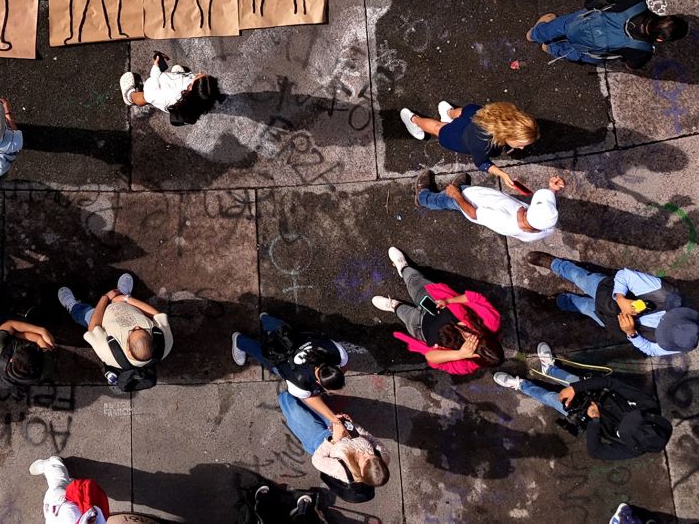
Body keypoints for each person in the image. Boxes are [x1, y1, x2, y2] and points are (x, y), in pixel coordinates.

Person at [494, 350, 672, 460]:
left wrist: (594, 421)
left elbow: (596, 451)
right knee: (572, 380)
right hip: (599, 395)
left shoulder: (631, 451)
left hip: (587, 416)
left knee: (551, 398)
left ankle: (521, 385)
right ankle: (550, 369)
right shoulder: (648, 404)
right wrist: (576, 388)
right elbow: (612, 383)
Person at [526, 252, 699, 357]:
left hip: (611, 322)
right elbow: (625, 276)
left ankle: (560, 301)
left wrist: (632, 334)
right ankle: (555, 264)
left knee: (585, 308)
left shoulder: (680, 342)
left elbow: (652, 350)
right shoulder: (665, 294)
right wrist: (621, 299)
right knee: (580, 277)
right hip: (606, 292)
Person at [372, 247, 502, 374]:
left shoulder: (467, 365)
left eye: (473, 346)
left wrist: (459, 354)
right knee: (415, 283)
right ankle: (404, 268)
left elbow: (431, 359)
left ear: (475, 358)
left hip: (420, 327)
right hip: (435, 299)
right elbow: (475, 298)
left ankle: (394, 305)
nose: (472, 338)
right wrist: (449, 301)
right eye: (478, 337)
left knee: (404, 314)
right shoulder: (491, 322)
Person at [232, 315, 352, 438]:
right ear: (319, 383)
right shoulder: (299, 383)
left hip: (296, 338)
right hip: (282, 358)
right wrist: (332, 418)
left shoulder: (337, 353)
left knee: (282, 330)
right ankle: (240, 341)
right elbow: (310, 398)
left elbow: (345, 365)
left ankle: (266, 319)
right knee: (264, 356)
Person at [269, 391, 389, 502]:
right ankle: (297, 388)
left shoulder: (342, 471)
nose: (367, 453)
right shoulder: (383, 455)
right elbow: (371, 439)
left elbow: (317, 460)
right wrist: (349, 426)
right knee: (310, 399)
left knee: (294, 410)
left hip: (319, 440)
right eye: (373, 455)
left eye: (364, 458)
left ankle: (284, 395)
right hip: (337, 426)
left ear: (361, 471)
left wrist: (334, 439)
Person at [529, 0, 688, 69]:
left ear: (664, 16)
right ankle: (550, 49)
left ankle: (535, 35)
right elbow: (630, 66)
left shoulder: (636, 4)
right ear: (660, 39)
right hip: (592, 48)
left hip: (581, 23)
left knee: (561, 25)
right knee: (579, 53)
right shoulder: (642, 51)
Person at [58, 272, 173, 382]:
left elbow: (93, 327)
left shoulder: (107, 350)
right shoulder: (165, 342)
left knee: (83, 314)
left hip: (101, 318)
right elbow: (156, 315)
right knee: (122, 297)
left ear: (127, 348)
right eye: (144, 330)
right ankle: (122, 293)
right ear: (153, 342)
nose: (136, 326)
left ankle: (72, 305)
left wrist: (106, 298)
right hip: (126, 306)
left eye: (132, 331)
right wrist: (125, 299)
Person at [414, 169, 564, 243]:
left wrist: (456, 195)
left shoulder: (502, 220)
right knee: (457, 194)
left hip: (468, 201)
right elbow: (545, 208)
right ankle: (461, 187)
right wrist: (552, 189)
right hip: (480, 197)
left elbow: (473, 213)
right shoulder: (543, 227)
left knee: (444, 200)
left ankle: (423, 197)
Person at [398, 100, 539, 167]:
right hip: (458, 136)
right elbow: (481, 162)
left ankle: (449, 112)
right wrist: (500, 173)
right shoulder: (483, 144)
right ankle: (413, 120)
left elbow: (470, 112)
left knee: (463, 113)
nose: (522, 148)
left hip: (473, 115)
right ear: (506, 134)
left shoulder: (496, 116)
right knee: (438, 128)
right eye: (520, 144)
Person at [119, 52, 223, 126]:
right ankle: (177, 74)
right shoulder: (204, 97)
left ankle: (130, 96)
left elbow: (149, 92)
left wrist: (156, 67)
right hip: (180, 94)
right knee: (177, 74)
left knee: (143, 97)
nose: (198, 73)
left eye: (196, 77)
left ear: (190, 88)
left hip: (153, 92)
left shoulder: (167, 97)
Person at [0, 312, 58, 389]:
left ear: (11, 360)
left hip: (7, 339)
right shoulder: (45, 370)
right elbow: (43, 344)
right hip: (13, 338)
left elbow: (9, 325)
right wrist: (40, 334)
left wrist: (40, 332)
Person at [27, 457, 110, 523]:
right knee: (57, 485)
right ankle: (53, 463)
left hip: (62, 511)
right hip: (63, 505)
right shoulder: (71, 515)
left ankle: (66, 479)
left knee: (58, 489)